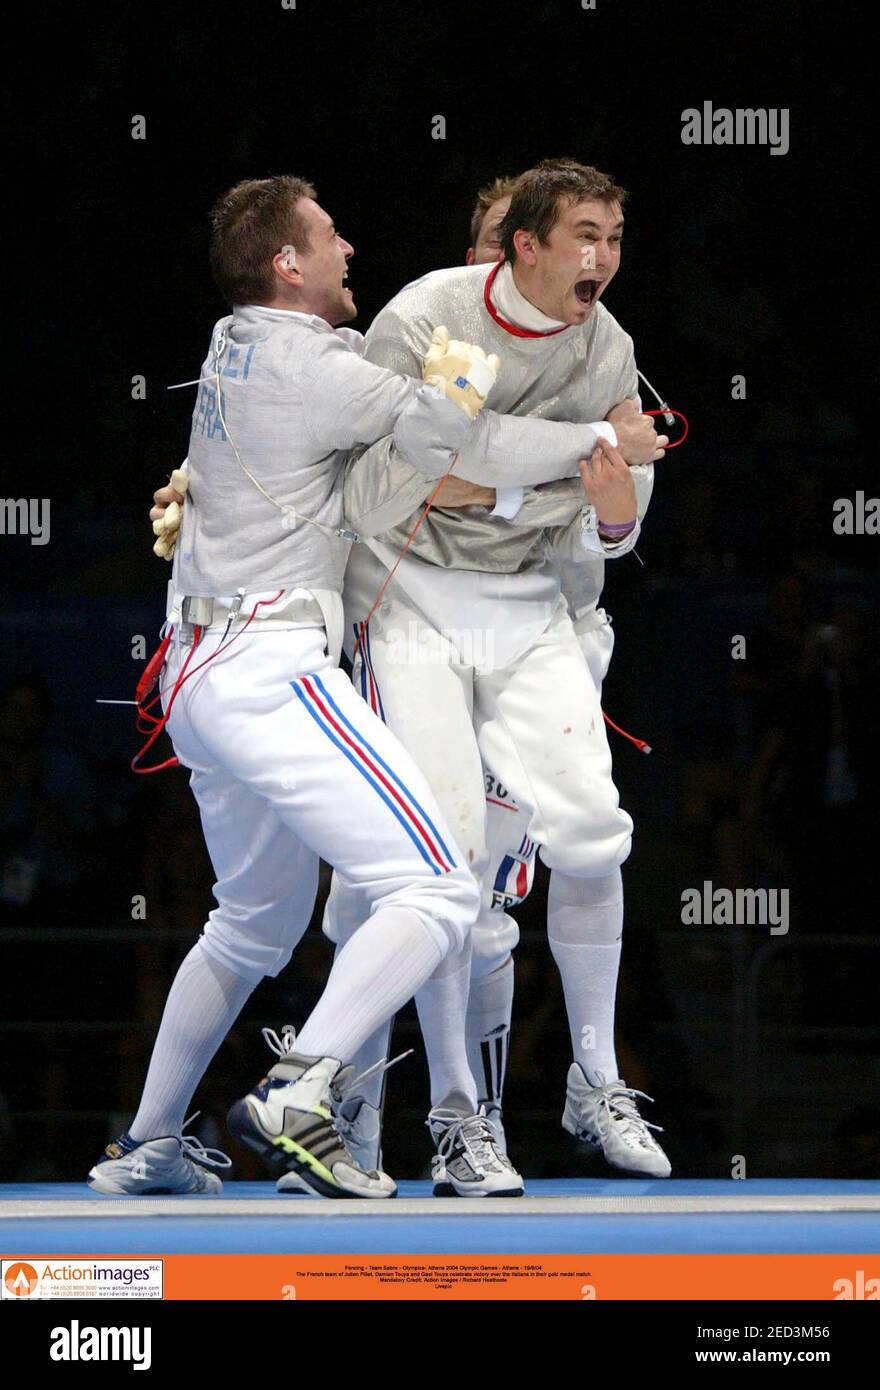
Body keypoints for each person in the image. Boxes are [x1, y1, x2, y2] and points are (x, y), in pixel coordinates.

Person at [121, 173, 626, 1199]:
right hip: (268, 664)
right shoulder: (325, 369)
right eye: (331, 234)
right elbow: (454, 442)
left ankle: (147, 1145)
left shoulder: (234, 343)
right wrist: (589, 444)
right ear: (287, 264)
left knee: (253, 921)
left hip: (193, 671)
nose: (352, 246)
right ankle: (307, 1086)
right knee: (440, 881)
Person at [329, 157, 672, 1189]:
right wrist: (579, 453)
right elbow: (399, 481)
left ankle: (591, 1077)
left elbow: (619, 512)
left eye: (613, 239)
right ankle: (427, 1111)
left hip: (533, 611)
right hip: (411, 600)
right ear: (517, 246)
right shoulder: (425, 317)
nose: (602, 259)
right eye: (584, 237)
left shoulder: (606, 341)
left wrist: (577, 489)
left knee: (591, 833)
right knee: (437, 868)